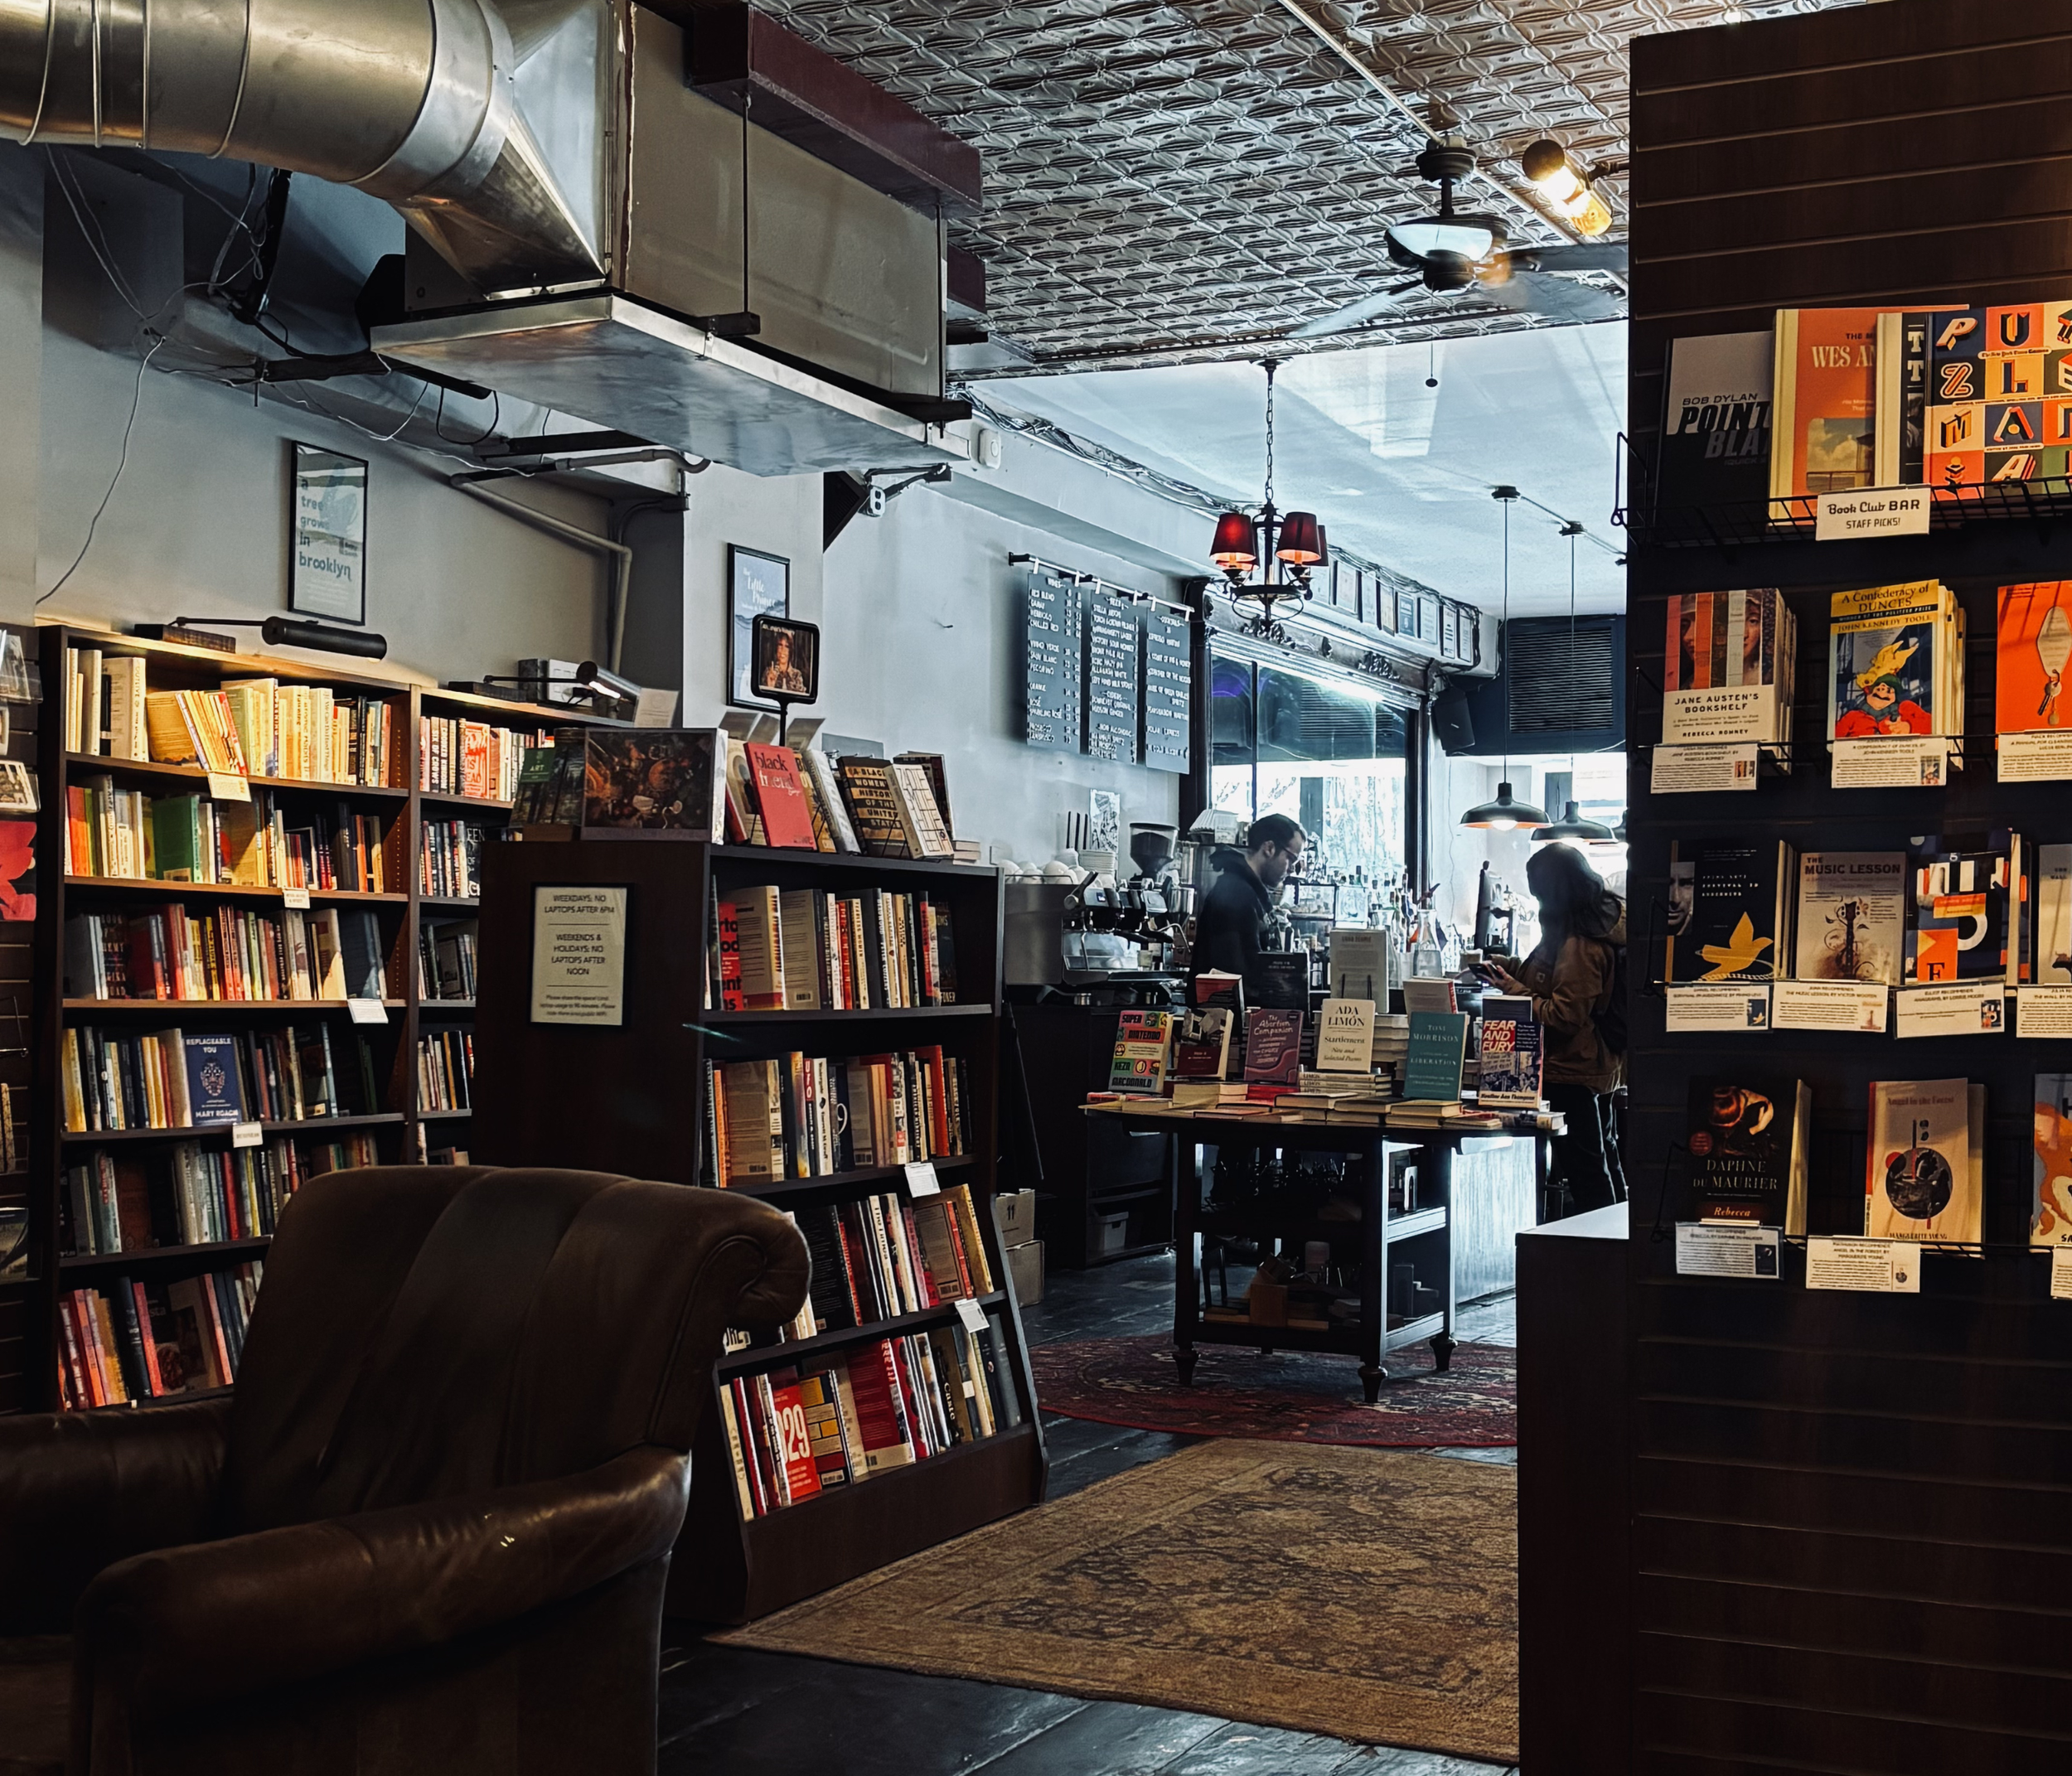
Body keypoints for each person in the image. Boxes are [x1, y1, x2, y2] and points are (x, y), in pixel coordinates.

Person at [1485, 843, 1626, 1217]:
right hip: (1593, 1065)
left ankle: (1601, 1260)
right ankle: (1614, 1255)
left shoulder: (1580, 944)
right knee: (1602, 1164)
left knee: (1588, 1175)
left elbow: (1564, 1015)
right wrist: (1510, 968)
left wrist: (1513, 990)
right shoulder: (1586, 924)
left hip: (1571, 1070)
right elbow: (1547, 980)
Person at [1192, 814, 1305, 978]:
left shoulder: (1250, 893)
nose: (1292, 870)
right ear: (1269, 848)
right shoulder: (1236, 895)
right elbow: (1236, 977)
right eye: (1291, 858)